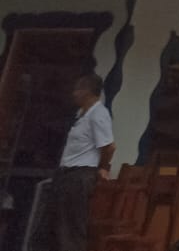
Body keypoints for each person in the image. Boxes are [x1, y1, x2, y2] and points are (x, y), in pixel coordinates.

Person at [51, 73, 115, 251]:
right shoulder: (82, 115)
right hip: (67, 173)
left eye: (77, 89)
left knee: (71, 227)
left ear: (87, 92)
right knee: (58, 225)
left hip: (80, 175)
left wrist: (103, 167)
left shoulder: (98, 114)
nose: (74, 93)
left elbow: (109, 147)